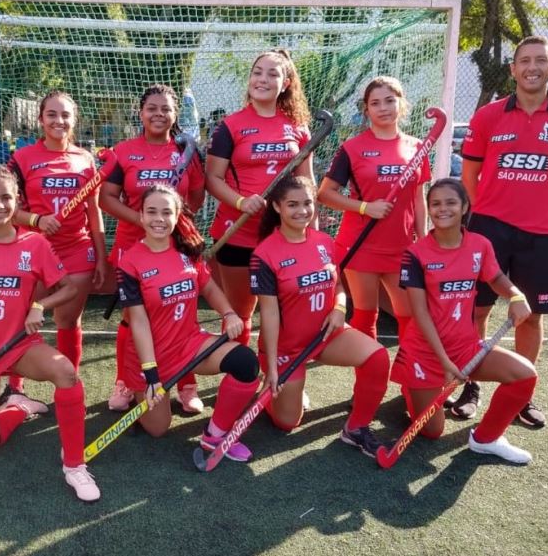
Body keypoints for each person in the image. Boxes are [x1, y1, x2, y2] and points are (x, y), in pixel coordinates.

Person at [0, 166, 100, 502]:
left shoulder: (35, 243)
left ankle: (75, 465)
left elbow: (68, 288)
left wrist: (40, 305)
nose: (0, 205)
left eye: (6, 198)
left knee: (66, 372)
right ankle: (19, 407)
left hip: (21, 346)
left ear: (17, 201)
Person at [459, 35, 548, 427]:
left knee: (531, 317)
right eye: (524, 61)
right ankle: (471, 384)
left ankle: (520, 394)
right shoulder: (488, 115)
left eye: (541, 61)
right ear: (513, 69)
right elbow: (470, 175)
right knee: (477, 310)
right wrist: (482, 216)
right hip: (488, 230)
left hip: (542, 235)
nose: (532, 67)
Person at [392, 178, 537, 463]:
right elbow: (419, 313)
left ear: (464, 207)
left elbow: (495, 277)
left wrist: (516, 295)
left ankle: (486, 439)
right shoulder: (415, 253)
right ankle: (410, 386)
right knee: (432, 431)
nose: (442, 209)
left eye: (450, 202)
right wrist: (446, 363)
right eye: (435, 204)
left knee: (525, 374)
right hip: (426, 354)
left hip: (467, 348)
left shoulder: (479, 245)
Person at [117, 184, 261, 461]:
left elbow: (208, 287)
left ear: (177, 215)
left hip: (188, 346)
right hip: (150, 358)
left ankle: (215, 435)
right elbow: (138, 322)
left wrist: (229, 313)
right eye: (152, 212)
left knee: (245, 363)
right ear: (141, 215)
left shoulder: (187, 249)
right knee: (158, 429)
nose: (159, 219)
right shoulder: (130, 263)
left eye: (166, 212)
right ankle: (139, 398)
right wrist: (151, 375)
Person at [252, 176, 390, 458]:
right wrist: (273, 369)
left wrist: (340, 309)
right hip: (287, 347)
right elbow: (268, 313)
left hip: (326, 335)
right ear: (277, 207)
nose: (302, 210)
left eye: (307, 203)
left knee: (377, 357)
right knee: (287, 423)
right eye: (292, 204)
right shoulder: (264, 255)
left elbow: (338, 285)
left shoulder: (324, 241)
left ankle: (356, 428)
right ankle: (266, 394)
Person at [99, 84, 207, 412]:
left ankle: (187, 383)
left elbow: (198, 195)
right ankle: (125, 381)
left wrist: (175, 224)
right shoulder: (124, 151)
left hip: (176, 245)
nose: (159, 114)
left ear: (175, 114)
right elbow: (106, 198)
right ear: (141, 112)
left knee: (183, 310)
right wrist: (143, 220)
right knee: (132, 318)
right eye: (152, 108)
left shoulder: (187, 150)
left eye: (166, 109)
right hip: (132, 246)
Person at [1, 91, 108, 413]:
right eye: (52, 114)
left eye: (65, 115)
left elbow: (94, 212)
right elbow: (6, 208)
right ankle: (14, 390)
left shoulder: (86, 160)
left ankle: (68, 385)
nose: (58, 121)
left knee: (67, 321)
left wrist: (101, 257)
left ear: (74, 120)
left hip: (78, 250)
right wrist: (36, 219)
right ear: (40, 119)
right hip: (34, 252)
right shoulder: (22, 159)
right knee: (20, 320)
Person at [205, 49, 313, 348]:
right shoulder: (231, 125)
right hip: (237, 233)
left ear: (287, 83)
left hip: (283, 235)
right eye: (257, 72)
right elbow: (212, 179)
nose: (262, 79)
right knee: (241, 312)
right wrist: (241, 202)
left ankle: (273, 378)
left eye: (272, 73)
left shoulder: (298, 127)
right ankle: (244, 381)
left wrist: (310, 230)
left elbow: (307, 184)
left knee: (280, 310)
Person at [318, 76, 428, 347]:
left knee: (410, 317)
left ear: (401, 104)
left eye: (390, 101)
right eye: (375, 103)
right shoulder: (352, 149)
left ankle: (413, 382)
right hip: (360, 246)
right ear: (366, 109)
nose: (383, 108)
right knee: (366, 318)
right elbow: (324, 194)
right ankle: (369, 383)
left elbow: (418, 197)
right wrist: (366, 207)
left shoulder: (417, 147)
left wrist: (424, 239)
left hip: (401, 248)